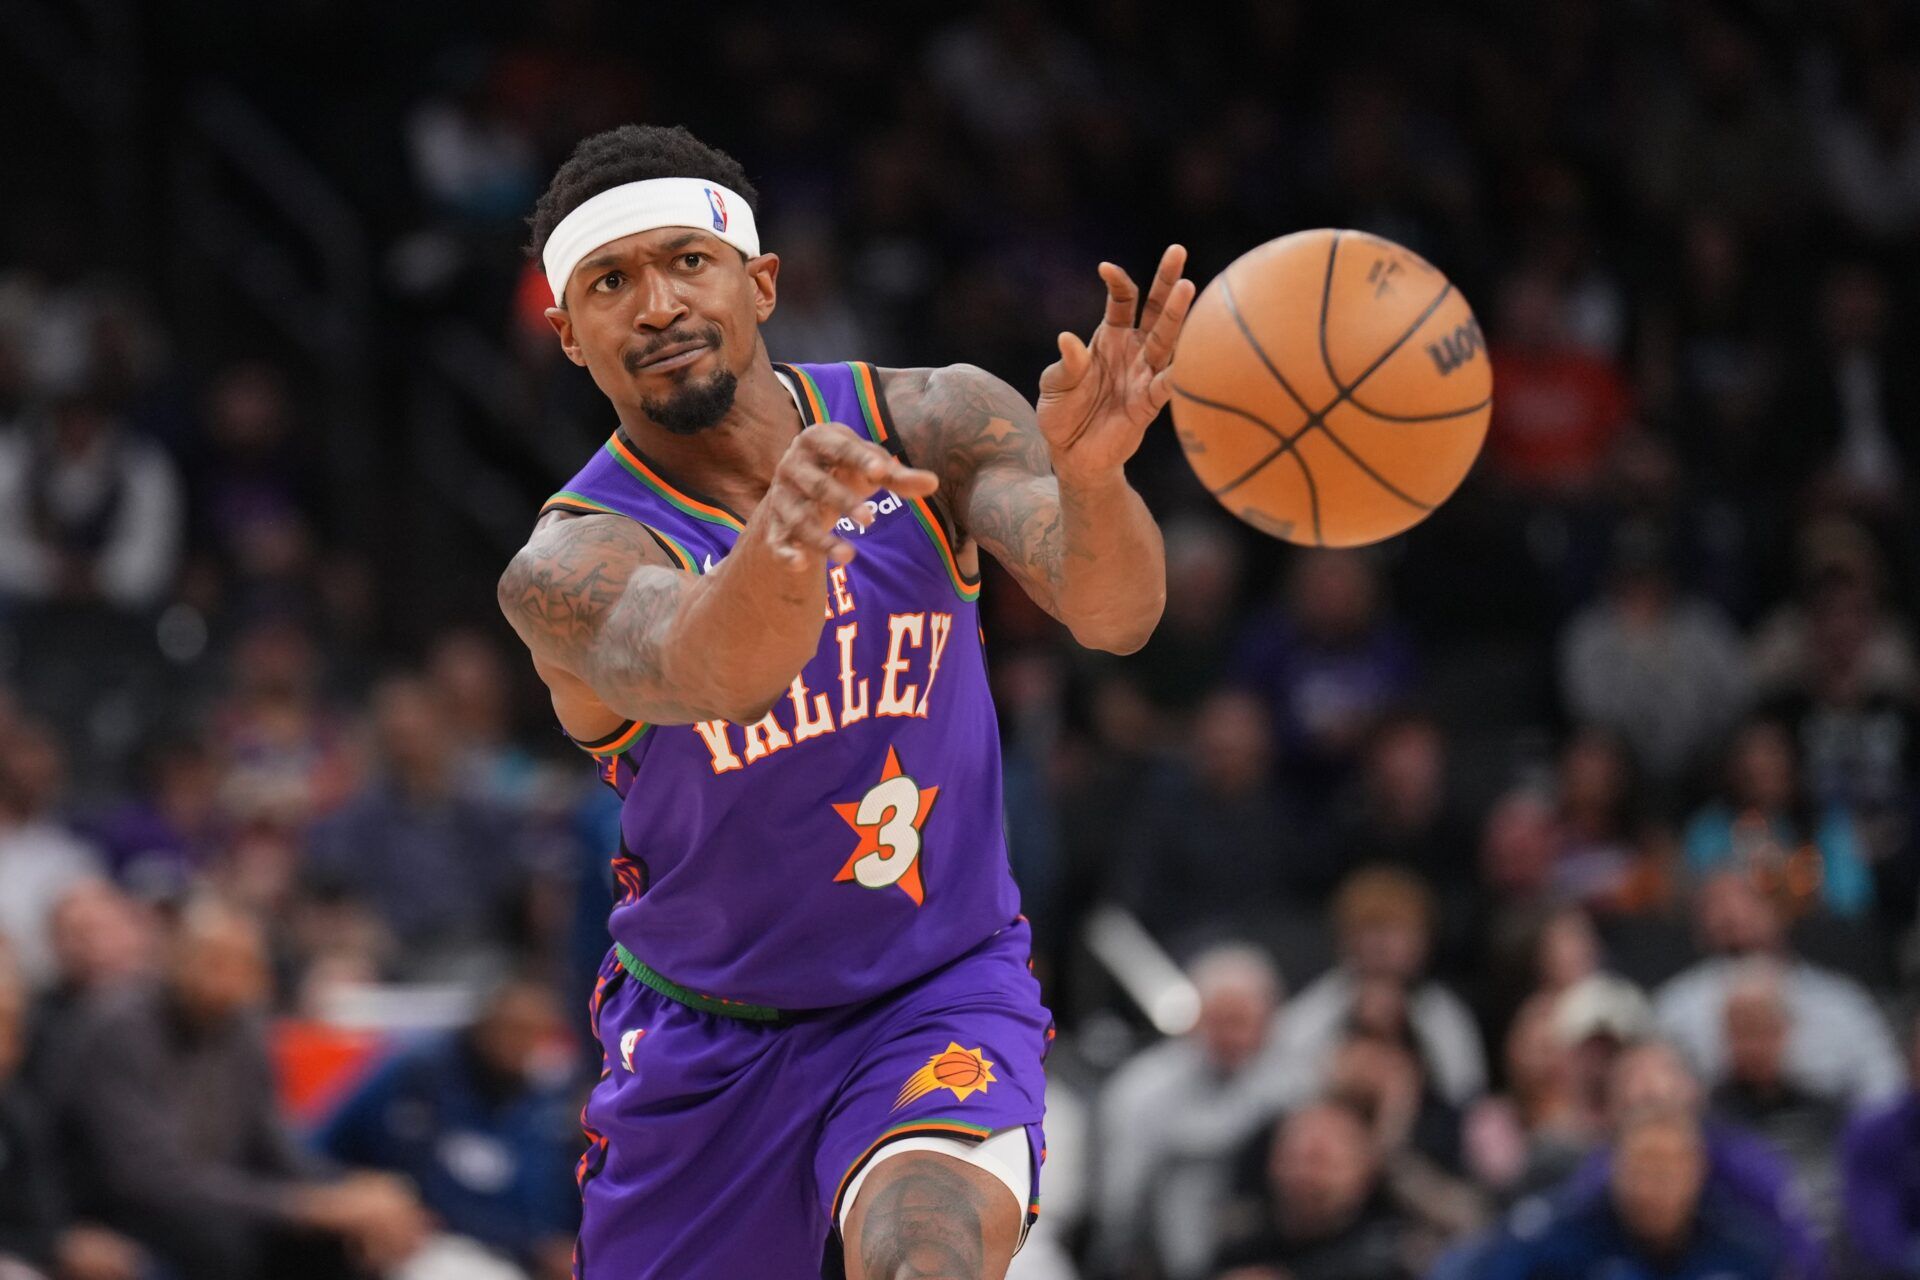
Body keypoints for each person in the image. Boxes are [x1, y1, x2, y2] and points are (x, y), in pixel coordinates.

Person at [495, 124, 1191, 1279]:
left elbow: (1113, 611)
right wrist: (782, 544)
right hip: (704, 1047)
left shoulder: (931, 422)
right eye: (609, 283)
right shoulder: (567, 564)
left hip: (934, 985)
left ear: (761, 282)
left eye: (687, 261)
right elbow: (711, 667)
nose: (656, 303)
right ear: (569, 333)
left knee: (927, 1252)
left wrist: (1094, 478)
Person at [48, 897, 431, 1279]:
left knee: (356, 1238)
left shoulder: (244, 1028)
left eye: (241, 965)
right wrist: (305, 1206)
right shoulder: (117, 1029)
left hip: (222, 1211)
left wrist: (352, 1192)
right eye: (211, 960)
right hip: (123, 1219)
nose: (224, 979)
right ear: (171, 957)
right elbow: (149, 1179)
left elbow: (275, 1150)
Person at [318, 979, 580, 1279]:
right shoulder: (420, 1074)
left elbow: (554, 1185)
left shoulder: (547, 1091)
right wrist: (534, 1248)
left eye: (536, 1033)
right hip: (422, 1236)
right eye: (513, 1028)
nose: (521, 1043)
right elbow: (422, 1189)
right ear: (484, 1024)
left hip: (529, 1250)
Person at [1089, 946, 1286, 1280]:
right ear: (1197, 1019)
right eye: (1221, 1021)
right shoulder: (1140, 1091)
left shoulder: (1290, 1084)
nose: (1233, 1037)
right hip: (1155, 1251)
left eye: (1243, 1022)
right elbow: (1118, 1202)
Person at [1654, 869, 1901, 1106]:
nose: (1731, 914)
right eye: (1715, 903)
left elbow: (1884, 1093)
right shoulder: (1676, 1007)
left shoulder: (1841, 1003)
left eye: (1749, 897)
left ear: (1781, 908)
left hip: (1826, 1138)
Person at [1476, 1106, 1784, 1280]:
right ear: (1614, 1170)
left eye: (1665, 1172)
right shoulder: (1553, 1241)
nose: (1651, 1188)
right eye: (1641, 1170)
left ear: (1697, 1173)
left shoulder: (1744, 1248)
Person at [1270, 868, 1485, 1107]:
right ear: (1344, 939)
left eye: (1394, 932)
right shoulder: (1321, 1005)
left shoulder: (1441, 1012)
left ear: (1422, 942)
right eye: (1368, 931)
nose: (1380, 946)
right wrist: (1334, 1071)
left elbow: (1465, 1090)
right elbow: (1276, 1081)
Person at [1210, 1101, 1417, 1280]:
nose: (1303, 1175)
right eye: (1293, 1158)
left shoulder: (1393, 1248)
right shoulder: (1248, 1237)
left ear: (1364, 1171)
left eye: (1319, 1161)